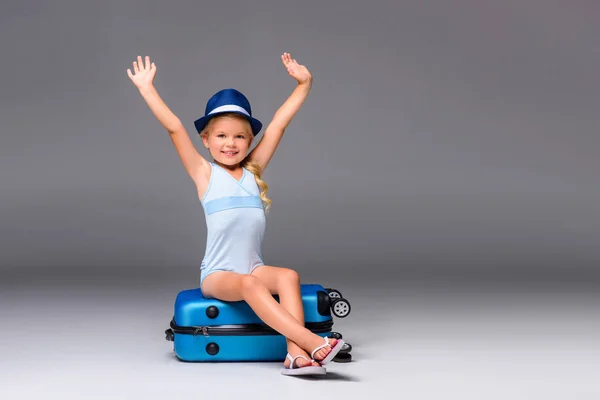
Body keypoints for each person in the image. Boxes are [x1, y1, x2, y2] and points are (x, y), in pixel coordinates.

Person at [127, 53, 344, 375]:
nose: (231, 144)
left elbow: (278, 125)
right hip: (218, 275)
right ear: (206, 140)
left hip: (252, 268)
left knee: (288, 276)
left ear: (249, 140)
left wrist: (304, 84)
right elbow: (174, 128)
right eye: (221, 136)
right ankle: (313, 342)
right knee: (250, 286)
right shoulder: (204, 174)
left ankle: (296, 355)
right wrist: (146, 88)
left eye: (240, 136)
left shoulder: (252, 170)